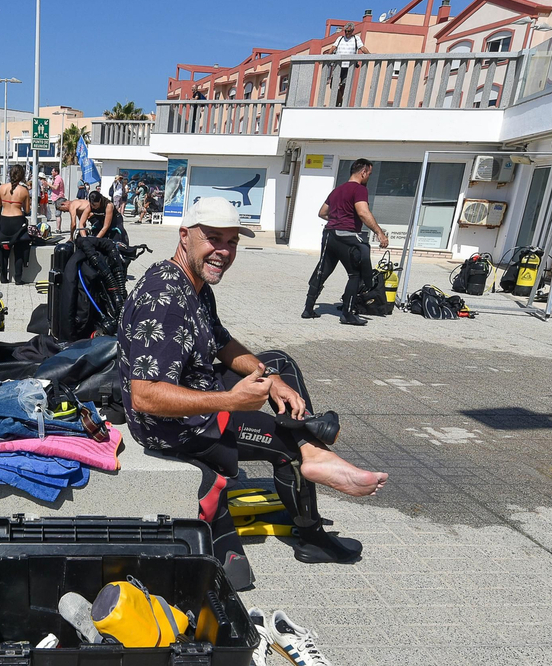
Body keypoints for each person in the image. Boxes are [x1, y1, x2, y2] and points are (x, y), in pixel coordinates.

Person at [119, 196, 387, 589]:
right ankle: (311, 516)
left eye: (232, 242)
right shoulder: (166, 300)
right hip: (174, 428)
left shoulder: (191, 282)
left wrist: (268, 377)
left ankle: (312, 449)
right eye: (213, 239)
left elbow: (222, 343)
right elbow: (145, 395)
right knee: (287, 446)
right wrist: (231, 401)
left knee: (279, 365)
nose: (223, 251)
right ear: (184, 236)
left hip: (195, 395)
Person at [306, 159, 388, 326]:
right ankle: (348, 314)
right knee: (355, 274)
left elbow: (322, 213)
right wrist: (379, 233)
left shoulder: (337, 190)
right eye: (369, 174)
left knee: (322, 270)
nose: (369, 177)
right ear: (363, 172)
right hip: (347, 236)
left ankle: (308, 309)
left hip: (329, 234)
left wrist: (337, 219)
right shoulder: (359, 189)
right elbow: (363, 213)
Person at [0, 163, 30, 284]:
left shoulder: (2, 188)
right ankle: (18, 278)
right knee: (19, 250)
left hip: (4, 219)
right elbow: (27, 210)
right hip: (17, 221)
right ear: (21, 176)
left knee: (3, 249)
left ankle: (3, 277)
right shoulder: (24, 190)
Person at [322, 23, 368, 107]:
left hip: (349, 66)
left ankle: (339, 103)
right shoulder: (340, 38)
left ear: (352, 31)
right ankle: (340, 100)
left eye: (349, 31)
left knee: (344, 85)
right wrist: (328, 55)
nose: (347, 33)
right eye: (346, 31)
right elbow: (333, 47)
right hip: (338, 65)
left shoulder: (356, 39)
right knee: (333, 85)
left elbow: (362, 48)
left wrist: (370, 55)